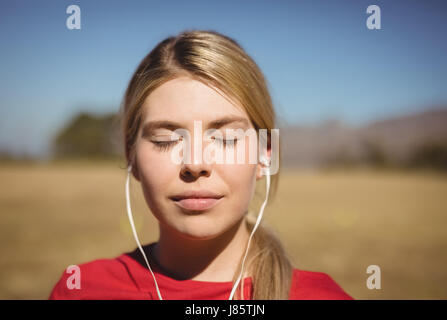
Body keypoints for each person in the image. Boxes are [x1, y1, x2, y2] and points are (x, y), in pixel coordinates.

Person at [49, 29, 353, 300]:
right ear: (131, 156)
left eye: (227, 137)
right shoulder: (82, 290)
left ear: (265, 155)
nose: (195, 163)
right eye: (165, 139)